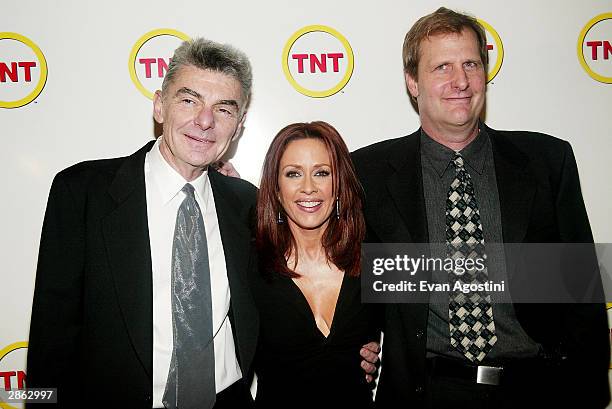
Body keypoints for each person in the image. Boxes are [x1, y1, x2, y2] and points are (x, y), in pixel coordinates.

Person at [352, 7, 610, 409]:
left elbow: (582, 297)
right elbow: (354, 280)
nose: (460, 81)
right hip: (427, 393)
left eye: (471, 63)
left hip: (538, 389)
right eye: (441, 67)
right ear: (412, 82)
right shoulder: (367, 173)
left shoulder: (546, 161)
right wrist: (360, 340)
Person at [27, 38, 258, 408]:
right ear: (159, 106)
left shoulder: (247, 202)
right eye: (189, 100)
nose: (205, 120)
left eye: (224, 109)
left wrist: (351, 340)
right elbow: (50, 338)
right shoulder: (82, 192)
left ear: (239, 125)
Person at [251, 121, 381, 408]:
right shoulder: (252, 266)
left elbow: (416, 323)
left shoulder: (372, 255)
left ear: (339, 184)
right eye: (293, 174)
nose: (308, 187)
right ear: (275, 187)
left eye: (321, 173)